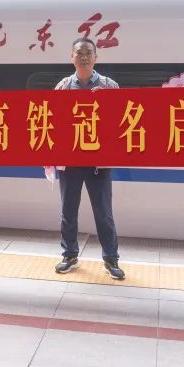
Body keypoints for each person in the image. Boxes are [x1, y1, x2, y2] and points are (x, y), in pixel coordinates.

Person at [52, 38, 124, 280]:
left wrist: (108, 103)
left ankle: (111, 259)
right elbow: (53, 120)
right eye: (79, 53)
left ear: (96, 57)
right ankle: (69, 255)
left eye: (88, 53)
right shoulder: (62, 87)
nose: (84, 57)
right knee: (68, 211)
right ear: (71, 57)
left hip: (98, 162)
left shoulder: (109, 86)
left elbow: (123, 119)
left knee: (103, 212)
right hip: (70, 160)